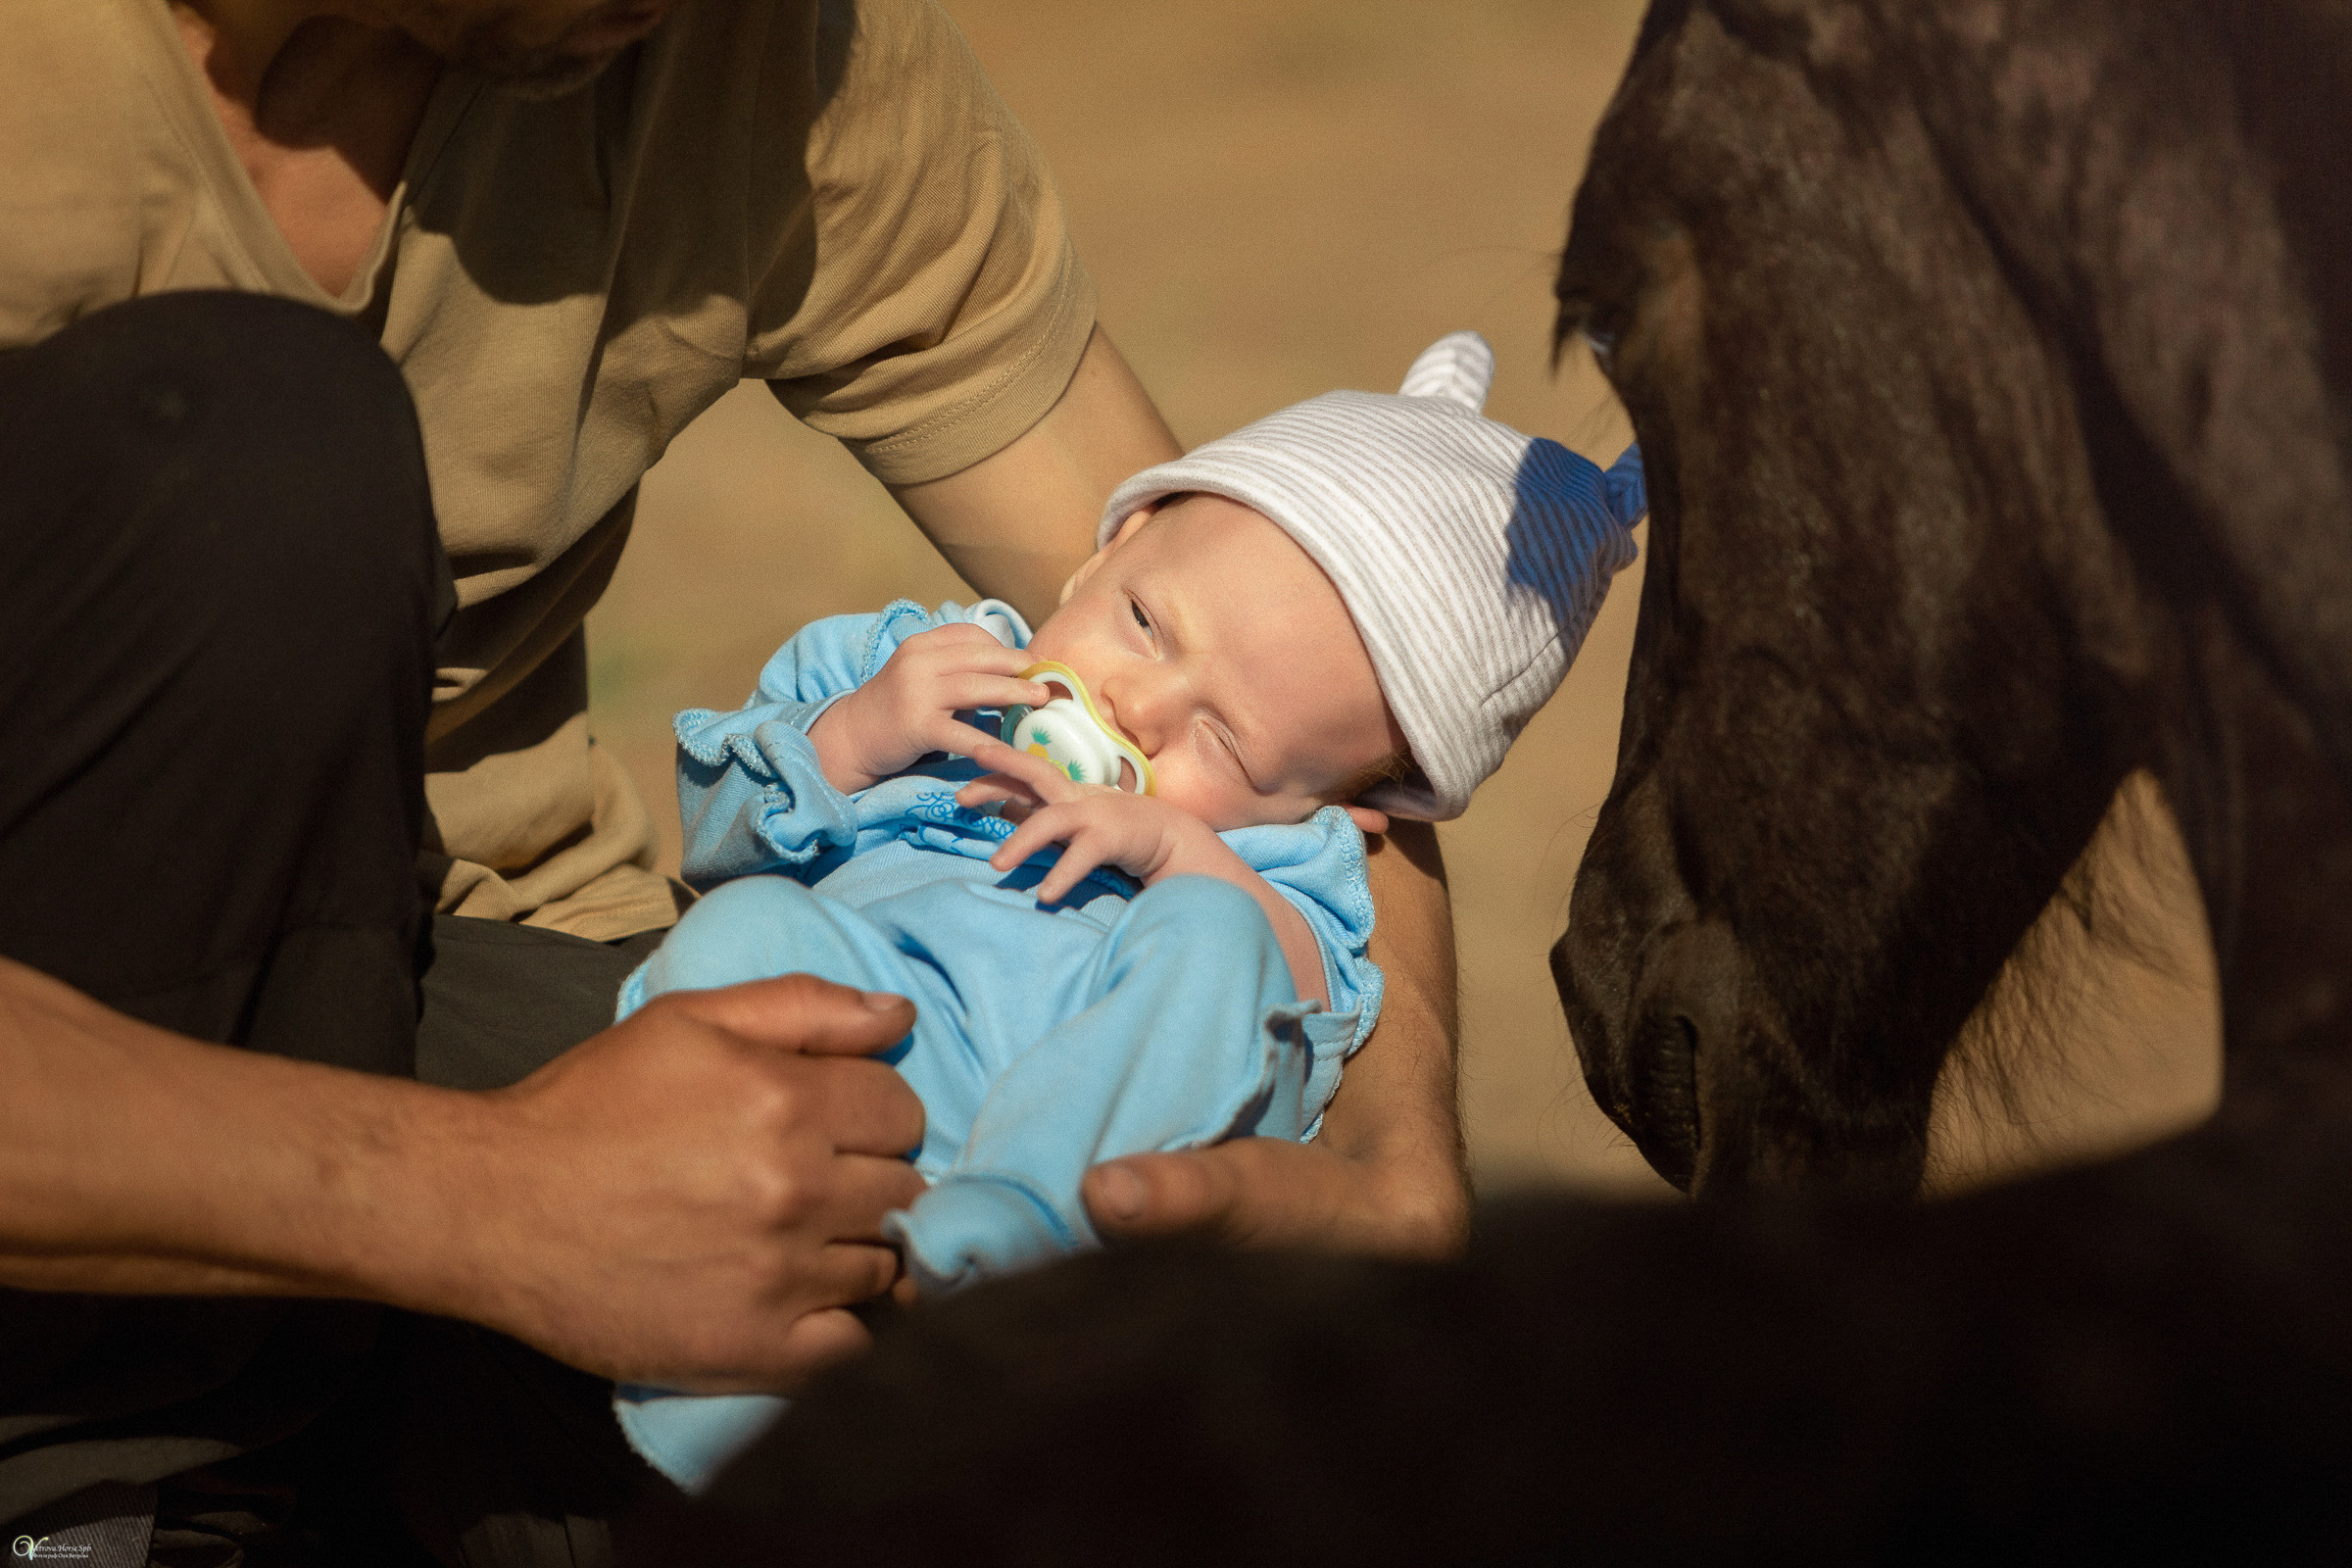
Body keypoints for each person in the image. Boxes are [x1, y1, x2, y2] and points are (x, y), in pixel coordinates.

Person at [0, 0, 1462, 1558]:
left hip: (469, 959)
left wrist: (1400, 1165)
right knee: (258, 462)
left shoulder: (766, 45)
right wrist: (488, 1204)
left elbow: (1293, 620)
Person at [611, 332, 1647, 1492]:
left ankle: (1008, 1231)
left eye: (1223, 737)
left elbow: (1300, 1017)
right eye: (1148, 624)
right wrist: (851, 737)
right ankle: (699, 1366)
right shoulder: (914, 666)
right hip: (831, 1054)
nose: (1141, 704)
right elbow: (714, 837)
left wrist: (1182, 854)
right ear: (1112, 546)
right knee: (744, 931)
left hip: (1054, 1141)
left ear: (1365, 802)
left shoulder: (1284, 861)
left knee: (1216, 939)